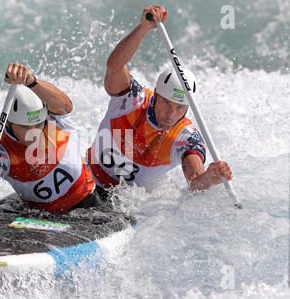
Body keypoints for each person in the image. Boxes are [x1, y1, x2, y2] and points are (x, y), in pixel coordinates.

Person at [87, 5, 233, 194]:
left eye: (180, 108)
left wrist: (210, 178)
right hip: (88, 179)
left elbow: (195, 182)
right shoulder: (132, 100)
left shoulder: (186, 138)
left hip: (126, 204)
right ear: (155, 96)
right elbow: (115, 65)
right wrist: (144, 28)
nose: (171, 115)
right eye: (166, 103)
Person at [0, 63, 97, 229]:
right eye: (24, 127)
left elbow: (66, 105)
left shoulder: (57, 120)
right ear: (9, 123)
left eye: (38, 125)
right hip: (39, 217)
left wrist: (30, 81)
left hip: (87, 202)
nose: (33, 134)